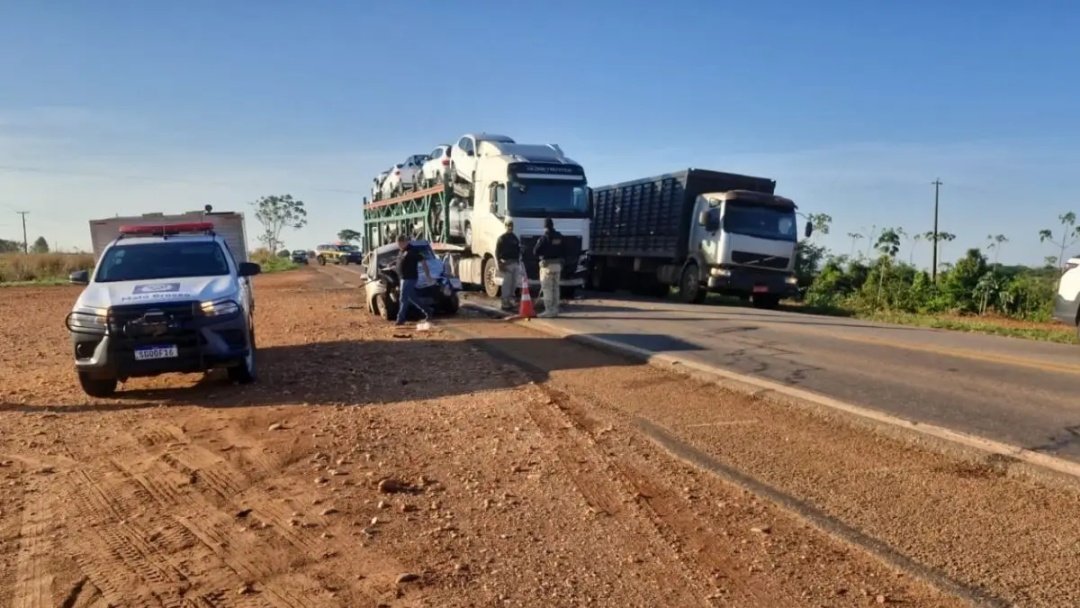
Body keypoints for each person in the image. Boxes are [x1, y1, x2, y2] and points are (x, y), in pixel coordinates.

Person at [394, 234, 432, 326]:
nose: (398, 246)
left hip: (410, 278)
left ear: (405, 242)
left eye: (399, 243)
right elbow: (399, 262)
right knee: (412, 298)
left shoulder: (413, 251)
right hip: (402, 278)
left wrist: (428, 276)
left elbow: (423, 261)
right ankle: (428, 310)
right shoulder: (401, 251)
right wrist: (392, 267)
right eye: (398, 244)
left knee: (403, 298)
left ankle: (400, 318)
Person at [532, 217, 565, 318]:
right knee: (555, 288)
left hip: (547, 266)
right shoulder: (559, 237)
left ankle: (549, 310)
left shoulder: (544, 238)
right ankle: (555, 310)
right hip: (558, 266)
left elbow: (535, 251)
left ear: (545, 227)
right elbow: (566, 249)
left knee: (547, 289)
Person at [495, 218, 522, 311]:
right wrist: (499, 263)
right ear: (505, 226)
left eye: (511, 225)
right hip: (506, 264)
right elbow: (497, 252)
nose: (510, 227)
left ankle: (509, 300)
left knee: (513, 284)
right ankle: (504, 302)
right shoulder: (501, 239)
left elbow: (518, 250)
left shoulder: (515, 238)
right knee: (506, 284)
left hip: (514, 263)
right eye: (508, 225)